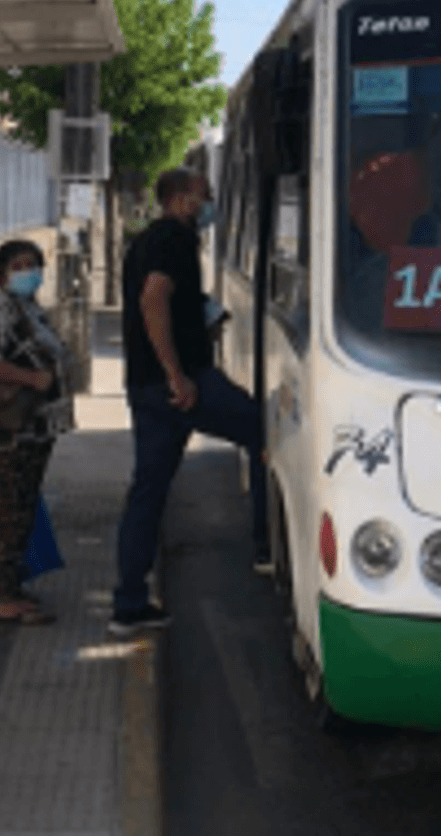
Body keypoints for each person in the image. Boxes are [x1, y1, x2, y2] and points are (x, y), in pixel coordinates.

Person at [110, 168, 267, 637]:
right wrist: (177, 374)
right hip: (182, 386)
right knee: (263, 430)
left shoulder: (144, 241)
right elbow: (153, 300)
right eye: (206, 197)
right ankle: (267, 546)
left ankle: (129, 603)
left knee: (149, 491)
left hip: (146, 385)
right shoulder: (174, 240)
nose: (211, 203)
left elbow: (167, 303)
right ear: (180, 201)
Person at [0, 239, 75, 625]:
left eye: (33, 264)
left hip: (33, 430)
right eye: (19, 265)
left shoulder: (27, 308)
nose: (29, 271)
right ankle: (3, 595)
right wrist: (32, 377)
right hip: (11, 432)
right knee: (10, 508)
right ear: (1, 274)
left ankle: (4, 586)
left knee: (16, 506)